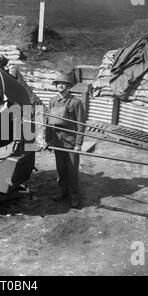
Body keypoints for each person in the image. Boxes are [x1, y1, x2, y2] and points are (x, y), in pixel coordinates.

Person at [45, 71, 86, 208]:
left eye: (63, 83)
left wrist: (78, 144)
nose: (60, 86)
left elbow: (81, 124)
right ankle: (63, 192)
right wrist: (48, 140)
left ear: (68, 86)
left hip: (71, 142)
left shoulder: (76, 102)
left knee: (72, 171)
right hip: (57, 142)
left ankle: (75, 197)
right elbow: (48, 123)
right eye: (58, 83)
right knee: (61, 170)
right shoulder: (52, 101)